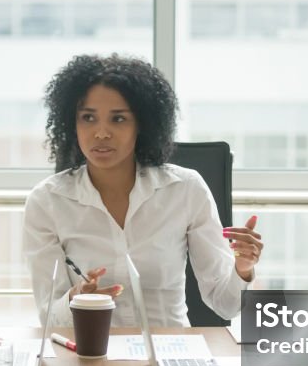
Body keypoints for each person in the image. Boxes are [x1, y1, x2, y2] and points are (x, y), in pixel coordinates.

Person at [23, 53, 264, 328]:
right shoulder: (47, 202)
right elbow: (49, 319)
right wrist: (74, 299)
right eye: (88, 118)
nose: (101, 133)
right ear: (71, 123)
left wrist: (242, 269)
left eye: (118, 119)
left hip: (171, 353)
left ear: (142, 124)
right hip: (91, 354)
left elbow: (226, 305)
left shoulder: (185, 189)